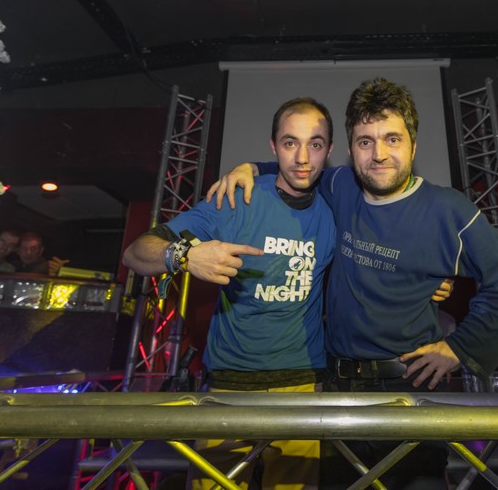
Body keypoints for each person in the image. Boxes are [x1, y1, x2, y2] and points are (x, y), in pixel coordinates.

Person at [209, 77, 498, 488]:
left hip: (409, 388)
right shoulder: (341, 185)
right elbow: (299, 168)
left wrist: (460, 348)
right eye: (365, 141)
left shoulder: (447, 210)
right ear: (350, 150)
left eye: (392, 139)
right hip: (336, 387)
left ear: (413, 146)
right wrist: (252, 167)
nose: (379, 154)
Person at [123, 97, 337, 490]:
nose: (303, 158)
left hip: (302, 385)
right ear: (273, 146)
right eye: (290, 143)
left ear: (329, 150)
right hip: (228, 387)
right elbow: (136, 252)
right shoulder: (237, 200)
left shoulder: (335, 206)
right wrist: (184, 255)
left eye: (316, 144)